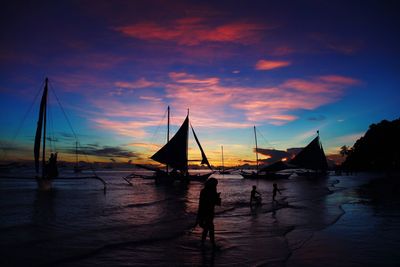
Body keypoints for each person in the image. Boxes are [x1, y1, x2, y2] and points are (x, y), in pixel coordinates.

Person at [196, 178, 221, 249]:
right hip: (207, 212)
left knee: (207, 228)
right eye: (215, 184)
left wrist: (216, 197)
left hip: (209, 212)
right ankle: (212, 244)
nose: (216, 185)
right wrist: (216, 198)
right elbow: (203, 203)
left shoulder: (206, 191)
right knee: (210, 228)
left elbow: (214, 203)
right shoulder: (207, 191)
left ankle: (203, 243)